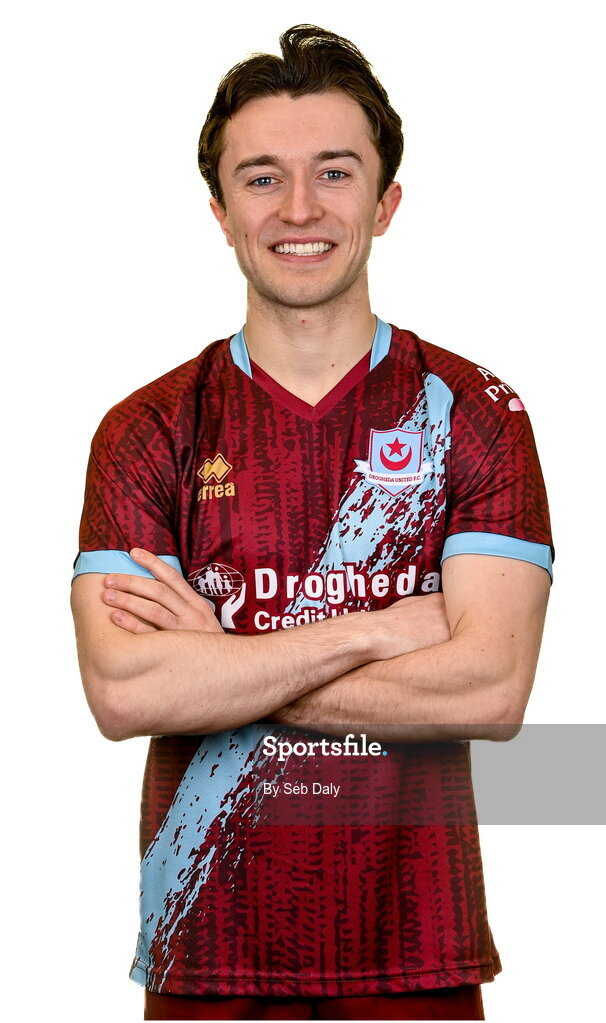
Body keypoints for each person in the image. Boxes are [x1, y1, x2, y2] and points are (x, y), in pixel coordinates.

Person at [71, 24, 553, 1022]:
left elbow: (492, 689)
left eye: (334, 173)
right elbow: (124, 692)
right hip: (205, 956)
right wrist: (380, 628)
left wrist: (220, 671)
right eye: (261, 178)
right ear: (218, 211)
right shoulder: (146, 429)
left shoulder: (479, 414)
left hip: (415, 954)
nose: (299, 209)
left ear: (386, 203)